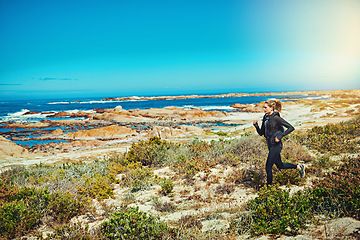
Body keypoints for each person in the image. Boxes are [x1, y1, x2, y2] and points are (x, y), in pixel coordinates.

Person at [253, 100, 305, 185]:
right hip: (270, 145)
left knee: (268, 167)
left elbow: (291, 128)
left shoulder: (276, 118)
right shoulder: (265, 118)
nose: (264, 109)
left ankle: (269, 188)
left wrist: (279, 136)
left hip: (276, 145)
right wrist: (256, 126)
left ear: (271, 108)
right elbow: (261, 133)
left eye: (265, 107)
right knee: (280, 166)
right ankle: (299, 167)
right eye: (263, 107)